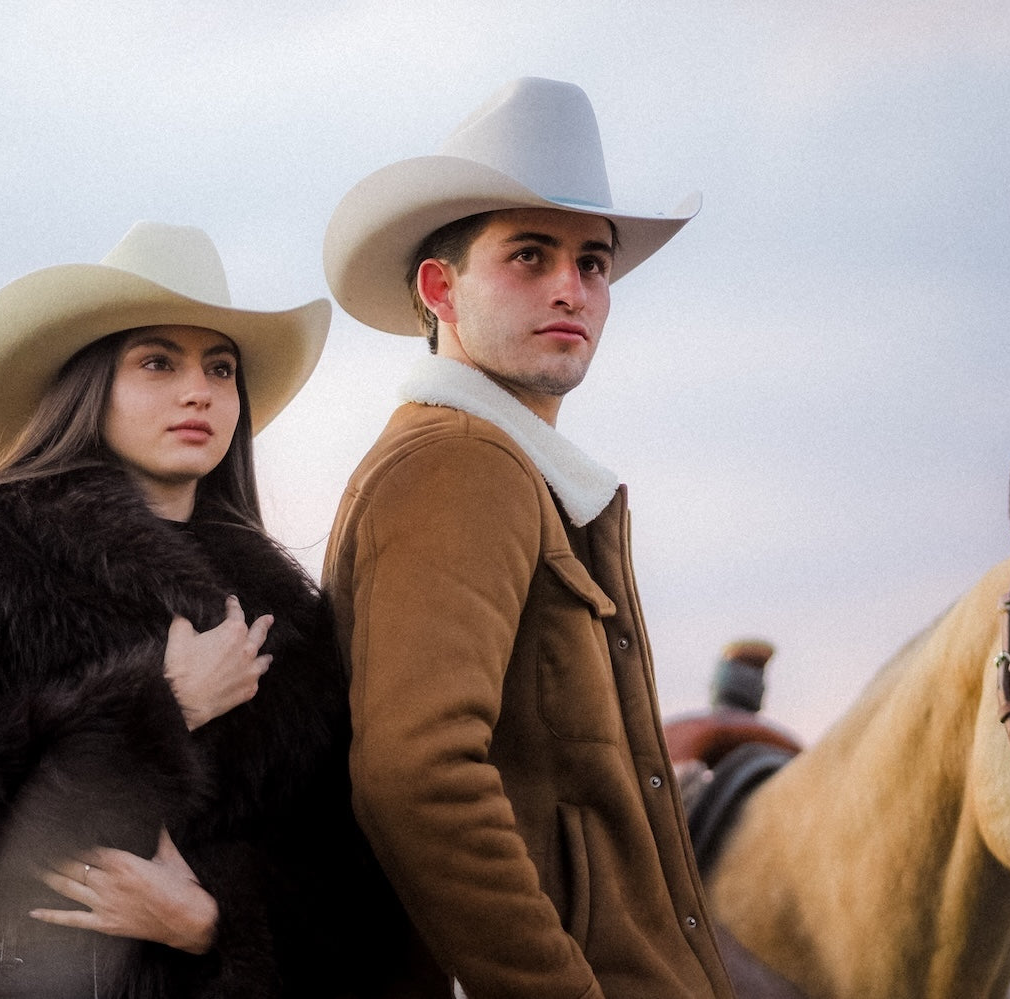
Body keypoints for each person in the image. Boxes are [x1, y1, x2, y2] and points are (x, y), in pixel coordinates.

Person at [0, 221, 392, 998]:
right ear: (90, 381)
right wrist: (162, 703)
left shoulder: (289, 618)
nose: (197, 391)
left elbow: (348, 887)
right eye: (157, 361)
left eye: (220, 367)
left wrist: (210, 921)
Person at [320, 78, 736, 999]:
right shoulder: (460, 463)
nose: (571, 288)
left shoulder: (513, 469)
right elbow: (416, 776)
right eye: (529, 255)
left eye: (593, 263)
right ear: (441, 289)